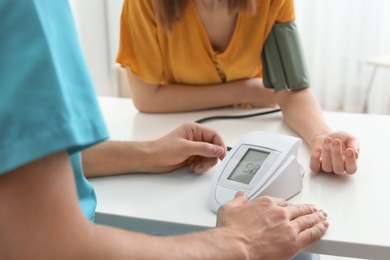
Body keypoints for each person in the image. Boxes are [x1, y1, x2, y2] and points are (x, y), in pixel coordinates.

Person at [0, 0, 328, 259]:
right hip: (84, 234)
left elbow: (26, 154)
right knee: (290, 243)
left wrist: (147, 152)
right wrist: (238, 244)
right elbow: (45, 246)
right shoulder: (27, 9)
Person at [116, 0, 360, 175]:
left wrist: (321, 137)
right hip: (168, 142)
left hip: (246, 144)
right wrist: (248, 90)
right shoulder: (144, 4)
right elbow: (146, 98)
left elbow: (291, 89)